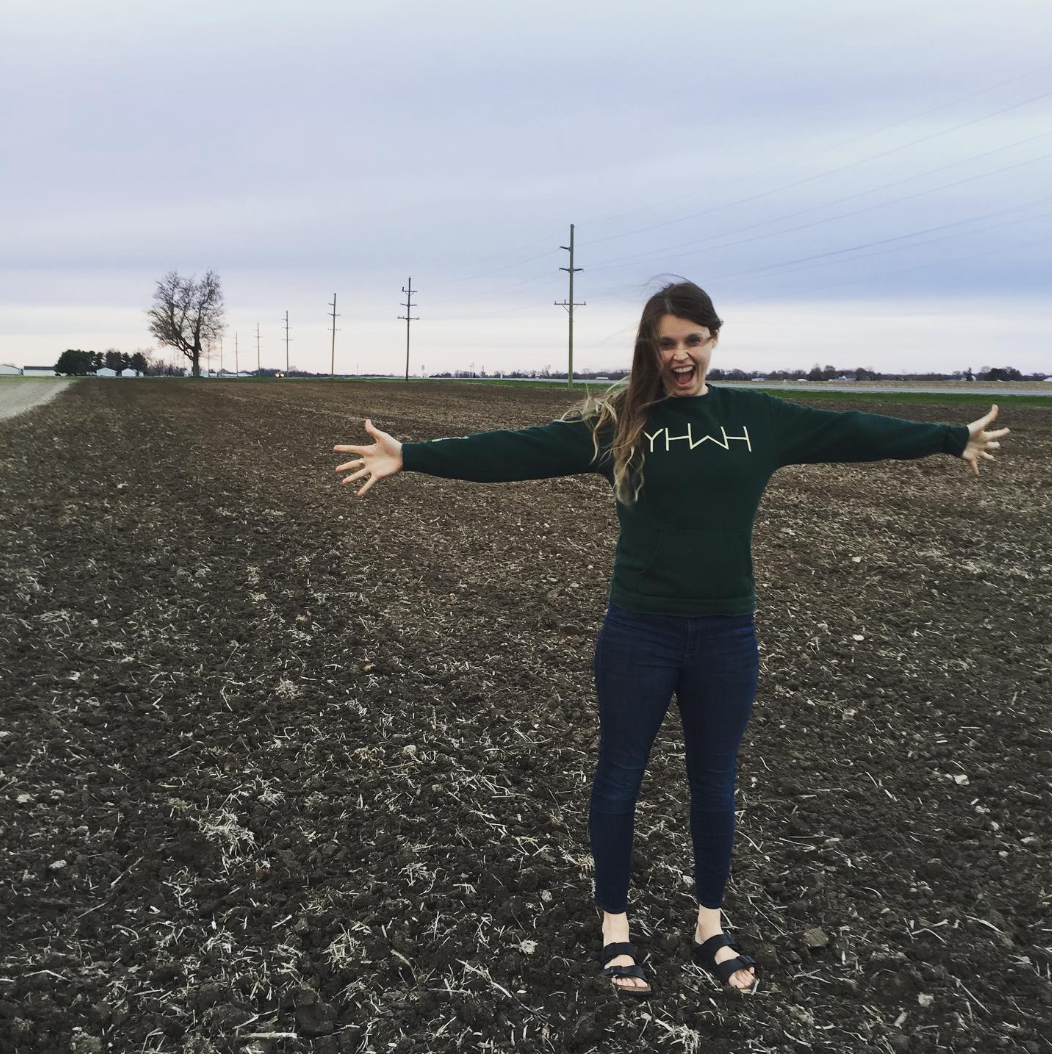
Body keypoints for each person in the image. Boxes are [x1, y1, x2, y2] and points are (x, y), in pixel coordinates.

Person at [333, 281, 1009, 997]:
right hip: (640, 631)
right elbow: (519, 450)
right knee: (619, 778)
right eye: (667, 341)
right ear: (650, 347)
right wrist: (412, 455)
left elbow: (851, 430)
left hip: (726, 634)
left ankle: (709, 925)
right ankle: (615, 927)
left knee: (715, 784)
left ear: (713, 339)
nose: (680, 354)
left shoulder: (757, 418)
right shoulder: (620, 420)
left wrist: (948, 437)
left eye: (692, 339)